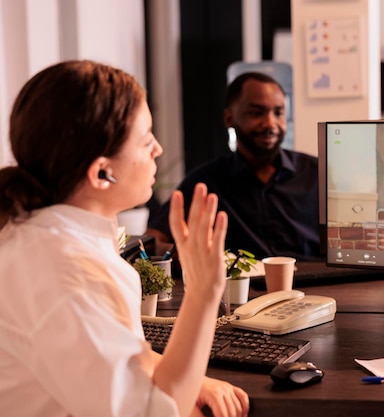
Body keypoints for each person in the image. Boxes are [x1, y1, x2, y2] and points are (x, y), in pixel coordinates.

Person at [0, 60, 249, 417]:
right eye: (146, 139)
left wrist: (194, 380)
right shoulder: (70, 274)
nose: (158, 149)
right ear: (102, 172)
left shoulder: (40, 233)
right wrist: (203, 294)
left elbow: (108, 349)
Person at [147, 72, 322, 261]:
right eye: (256, 113)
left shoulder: (318, 173)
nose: (270, 124)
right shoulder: (204, 182)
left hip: (318, 285)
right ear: (229, 118)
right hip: (242, 287)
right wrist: (184, 251)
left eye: (278, 113)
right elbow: (152, 240)